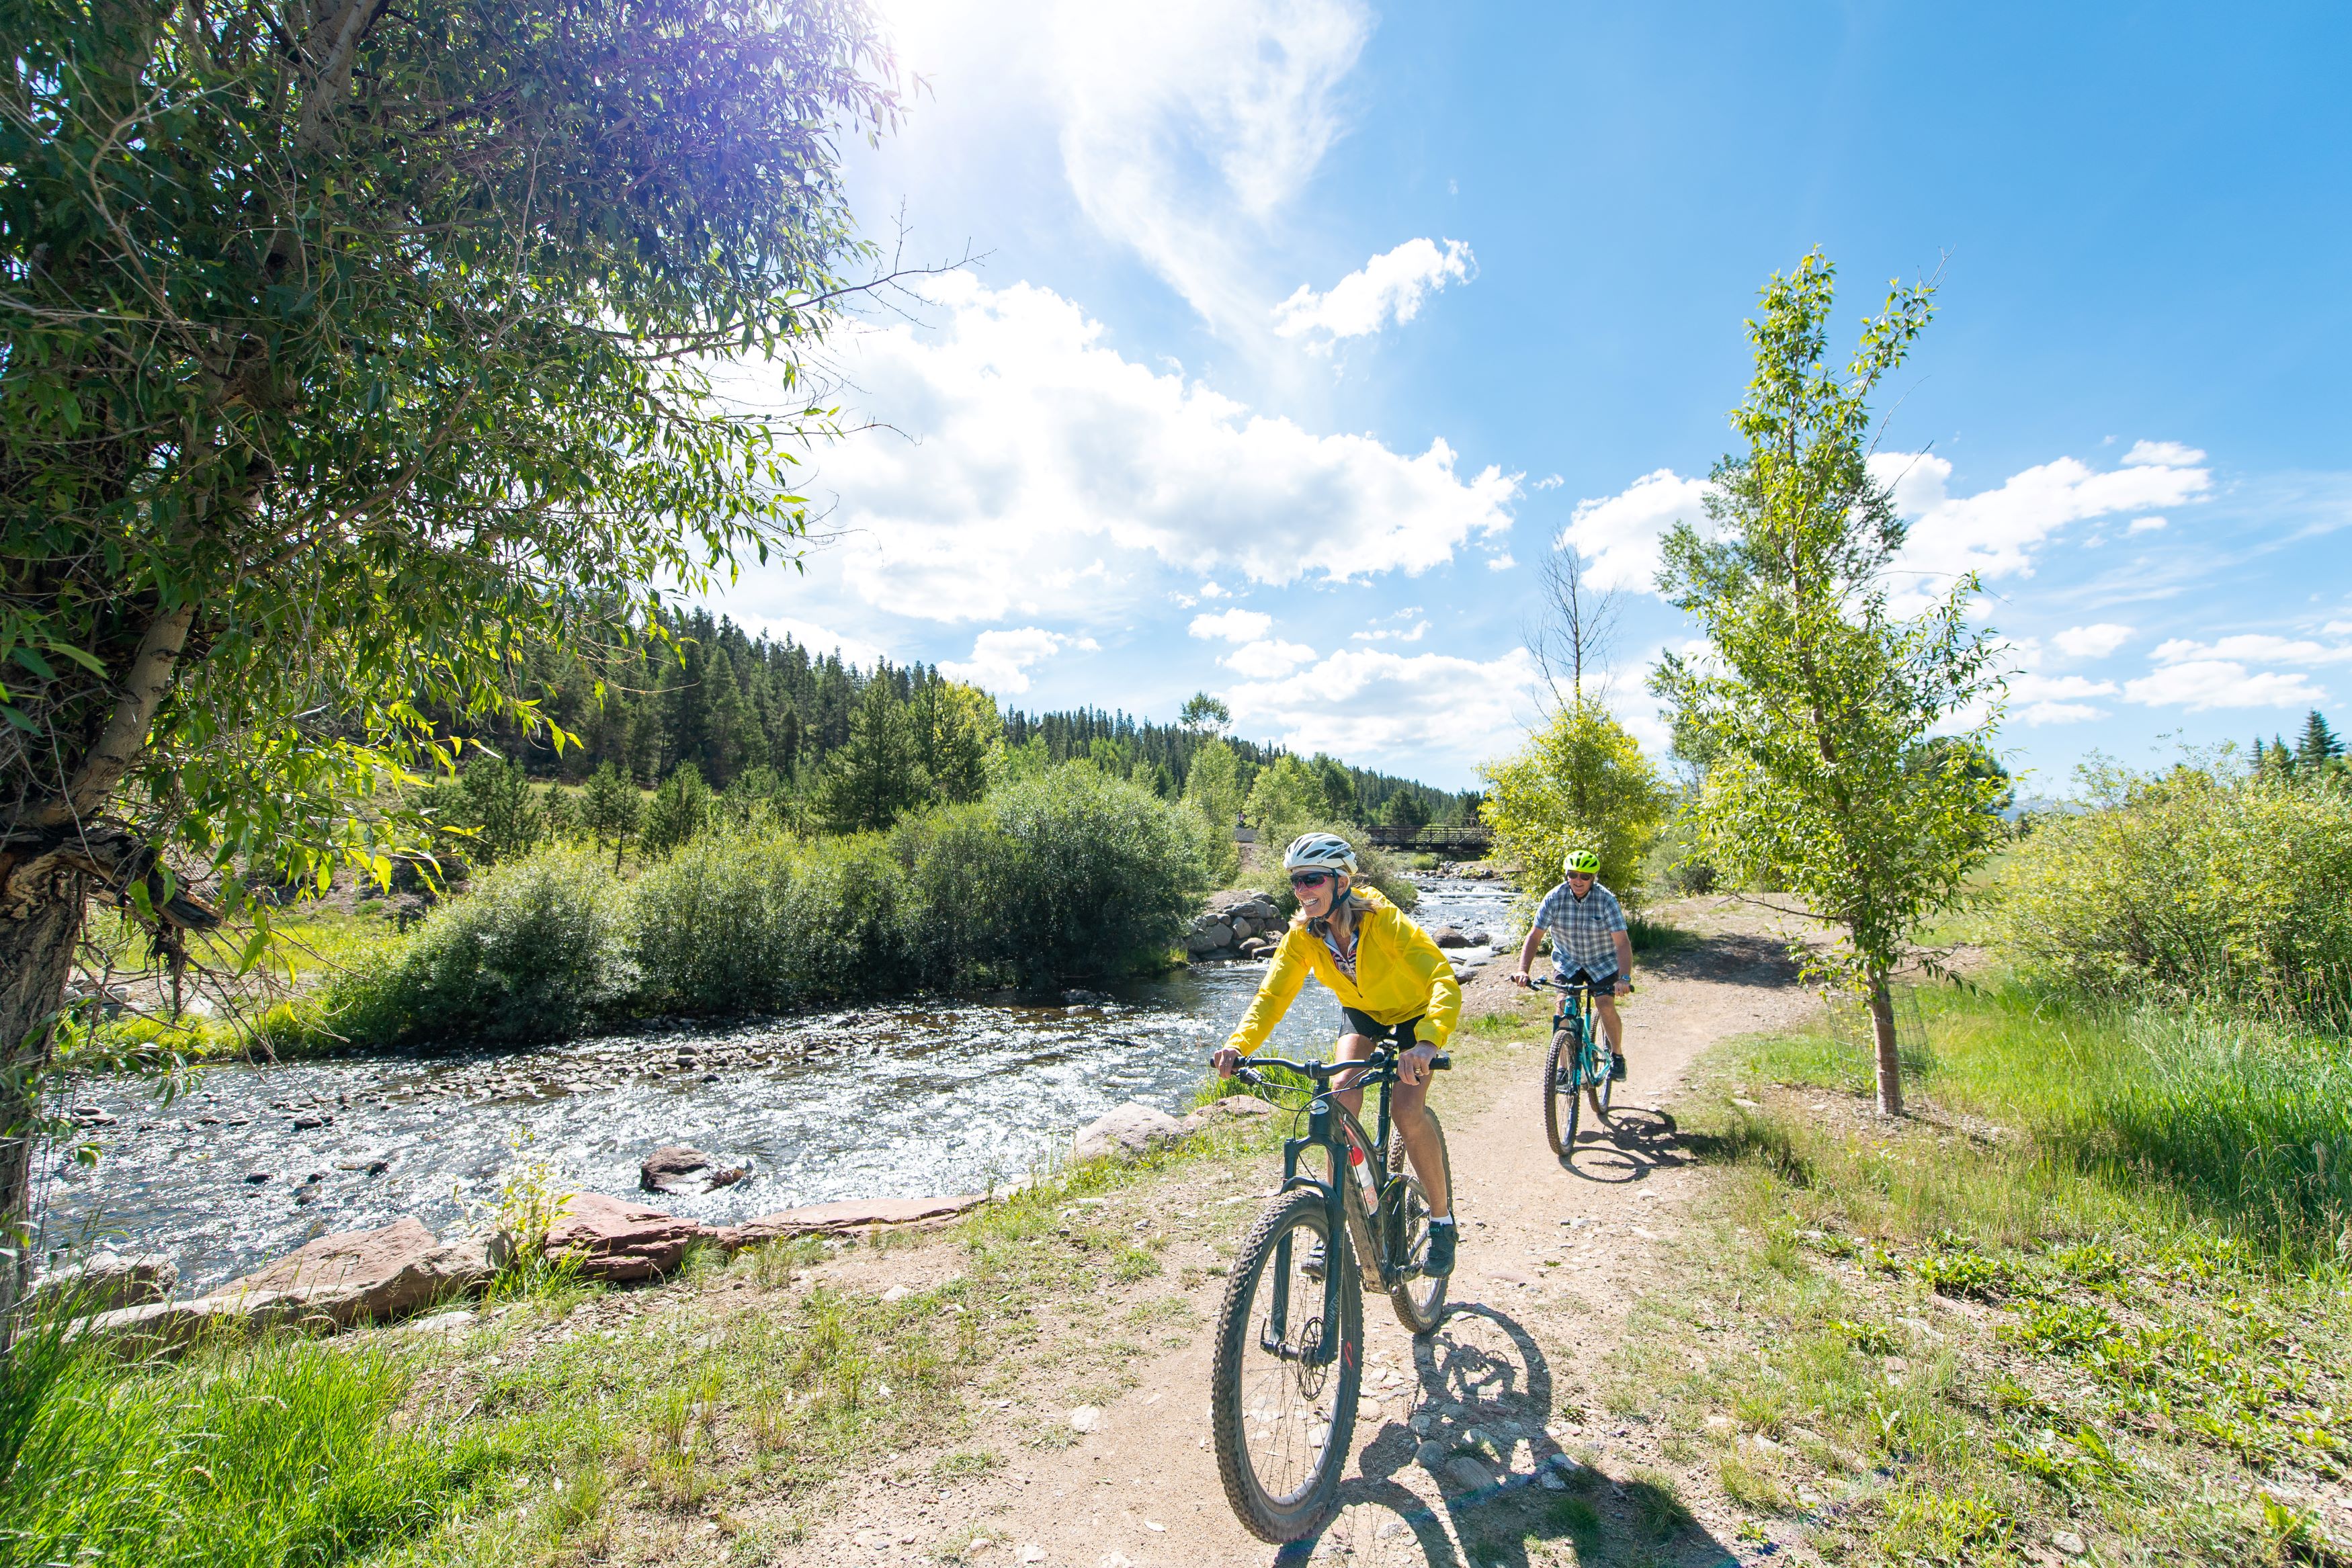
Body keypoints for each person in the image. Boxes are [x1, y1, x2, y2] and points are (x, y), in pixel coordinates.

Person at [1211, 832, 1464, 1276]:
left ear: (1341, 882)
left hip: (1415, 1013)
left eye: (1312, 879)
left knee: (1407, 1111)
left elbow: (1442, 978)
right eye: (1296, 881)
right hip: (1364, 1013)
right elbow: (1273, 996)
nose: (1302, 890)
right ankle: (1336, 1223)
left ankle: (1442, 1222)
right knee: (1338, 1095)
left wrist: (1427, 1042)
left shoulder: (1383, 920)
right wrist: (1239, 1044)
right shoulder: (1303, 935)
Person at [1510, 848, 1633, 1080]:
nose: (1578, 880)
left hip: (1602, 962)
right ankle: (1565, 1069)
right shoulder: (1554, 898)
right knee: (1564, 1008)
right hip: (1568, 962)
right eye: (1573, 874)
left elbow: (1622, 943)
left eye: (1585, 876)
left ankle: (1617, 1056)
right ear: (1566, 875)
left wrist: (1624, 978)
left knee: (1605, 1004)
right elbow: (1535, 937)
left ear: (1593, 879)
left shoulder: (1606, 900)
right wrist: (1523, 970)